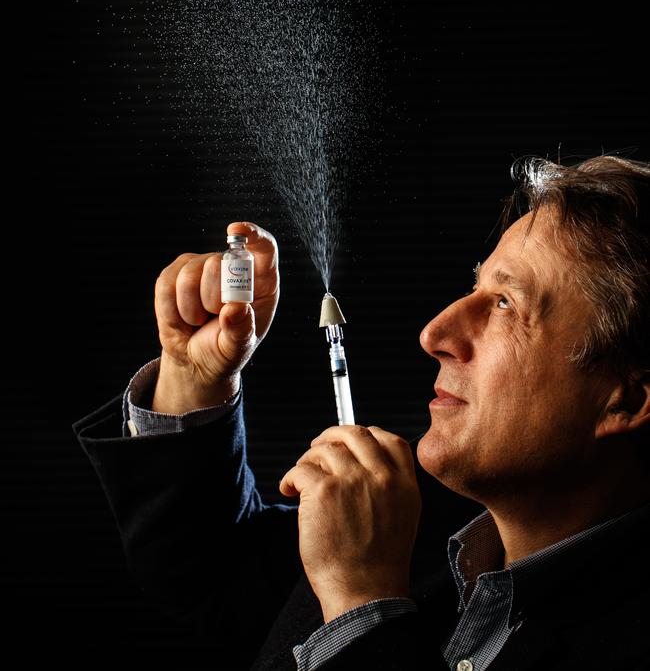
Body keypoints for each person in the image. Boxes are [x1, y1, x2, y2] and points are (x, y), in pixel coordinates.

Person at [72, 154, 650, 671]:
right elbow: (210, 576)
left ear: (624, 398)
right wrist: (194, 378)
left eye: (505, 304)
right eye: (473, 289)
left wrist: (363, 605)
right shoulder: (409, 532)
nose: (435, 333)